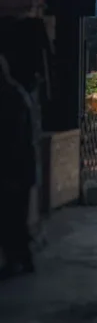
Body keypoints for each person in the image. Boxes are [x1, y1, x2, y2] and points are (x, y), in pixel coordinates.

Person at [0, 55, 35, 280]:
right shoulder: (16, 94)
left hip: (15, 168)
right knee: (14, 216)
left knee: (12, 216)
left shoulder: (11, 98)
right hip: (19, 167)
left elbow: (14, 139)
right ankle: (22, 258)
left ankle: (19, 259)